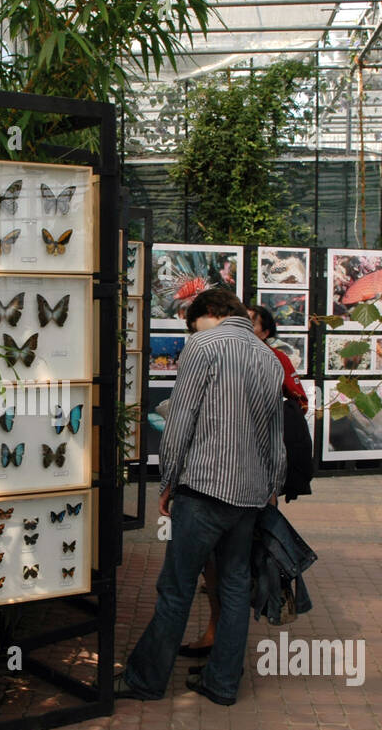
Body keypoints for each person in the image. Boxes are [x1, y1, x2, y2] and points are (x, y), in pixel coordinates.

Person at [115, 288, 286, 706]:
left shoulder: (204, 345)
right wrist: (271, 488)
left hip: (204, 487)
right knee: (232, 589)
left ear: (209, 313)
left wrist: (167, 480)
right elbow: (276, 436)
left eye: (192, 323)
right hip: (249, 494)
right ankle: (222, 683)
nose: (192, 331)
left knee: (177, 587)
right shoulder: (268, 356)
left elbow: (181, 419)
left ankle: (146, 680)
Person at [178, 302, 312, 659]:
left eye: (251, 324)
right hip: (235, 481)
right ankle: (218, 645)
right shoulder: (220, 352)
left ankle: (219, 644)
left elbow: (296, 408)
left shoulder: (272, 360)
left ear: (266, 332)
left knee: (233, 569)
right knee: (222, 569)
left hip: (247, 481)